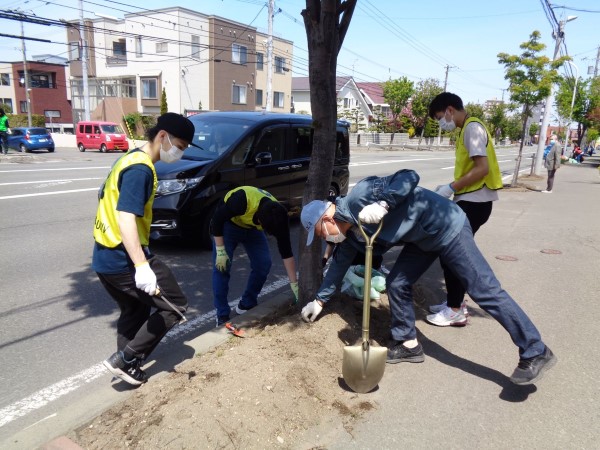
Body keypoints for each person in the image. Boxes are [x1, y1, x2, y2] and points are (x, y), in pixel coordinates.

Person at [300, 169, 556, 385]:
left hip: (447, 226)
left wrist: (383, 203)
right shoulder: (352, 237)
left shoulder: (361, 195)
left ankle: (535, 349)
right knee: (397, 282)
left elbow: (409, 177)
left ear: (327, 218)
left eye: (322, 233)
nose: (325, 239)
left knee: (484, 290)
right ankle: (409, 344)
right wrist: (319, 302)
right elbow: (336, 268)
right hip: (422, 240)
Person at [93, 112, 197, 386]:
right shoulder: (140, 169)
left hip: (104, 257)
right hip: (123, 258)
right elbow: (126, 217)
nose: (180, 153)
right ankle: (126, 359)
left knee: (135, 310)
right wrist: (141, 266)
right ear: (162, 136)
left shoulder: (127, 159)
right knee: (176, 306)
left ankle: (126, 364)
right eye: (181, 146)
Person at [425, 92, 503, 327]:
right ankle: (455, 302)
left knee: (452, 254)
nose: (441, 122)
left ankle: (455, 309)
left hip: (475, 201)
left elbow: (482, 169)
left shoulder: (472, 129)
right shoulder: (467, 128)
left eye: (440, 117)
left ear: (450, 110)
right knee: (451, 253)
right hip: (470, 200)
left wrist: (450, 187)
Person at [210, 186, 298, 326]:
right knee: (222, 267)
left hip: (251, 229)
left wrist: (294, 284)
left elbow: (286, 251)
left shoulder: (278, 215)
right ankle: (222, 314)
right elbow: (216, 221)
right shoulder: (241, 200)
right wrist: (221, 251)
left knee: (263, 264)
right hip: (228, 225)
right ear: (259, 219)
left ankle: (246, 304)